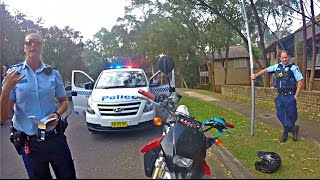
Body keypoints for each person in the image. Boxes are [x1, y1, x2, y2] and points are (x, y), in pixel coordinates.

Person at [0, 30, 76, 179]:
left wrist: (57, 114)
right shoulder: (14, 74)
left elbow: (64, 101)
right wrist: (5, 91)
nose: (33, 45)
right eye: (29, 42)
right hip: (30, 144)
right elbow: (4, 117)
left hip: (55, 139)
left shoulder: (53, 73)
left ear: (42, 47)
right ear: (24, 47)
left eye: (37, 42)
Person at [251, 50, 304, 143]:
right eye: (282, 58)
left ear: (289, 57)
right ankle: (293, 129)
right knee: (280, 114)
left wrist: (296, 95)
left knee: (291, 115)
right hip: (280, 96)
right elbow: (266, 70)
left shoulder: (293, 68)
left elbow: (300, 81)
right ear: (280, 58)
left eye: (285, 57)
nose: (284, 59)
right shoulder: (276, 67)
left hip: (290, 96)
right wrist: (256, 75)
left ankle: (286, 133)